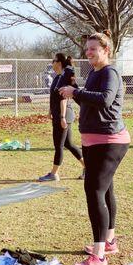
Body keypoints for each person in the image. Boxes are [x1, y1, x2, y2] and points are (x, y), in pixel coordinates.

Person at [60, 30, 130, 265]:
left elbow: (105, 100)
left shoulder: (110, 73)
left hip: (109, 141)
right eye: (87, 49)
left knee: (94, 191)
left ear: (106, 50)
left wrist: (75, 93)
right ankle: (109, 243)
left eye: (94, 49)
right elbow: (90, 101)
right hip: (94, 140)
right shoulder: (94, 73)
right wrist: (75, 91)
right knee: (106, 189)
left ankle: (99, 258)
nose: (89, 52)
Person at [38, 53, 85, 182]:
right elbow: (54, 97)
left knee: (58, 145)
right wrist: (50, 111)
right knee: (68, 144)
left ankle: (54, 174)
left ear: (59, 63)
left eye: (53, 61)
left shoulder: (63, 78)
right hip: (59, 115)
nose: (51, 63)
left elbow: (63, 98)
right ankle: (88, 168)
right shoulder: (58, 77)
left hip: (63, 115)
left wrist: (62, 117)